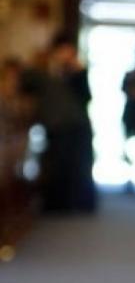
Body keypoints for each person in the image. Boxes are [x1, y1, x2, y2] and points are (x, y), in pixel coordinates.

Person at [21, 32, 96, 213]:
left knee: (79, 165)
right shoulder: (43, 71)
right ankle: (57, 204)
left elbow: (87, 97)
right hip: (56, 126)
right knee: (57, 166)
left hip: (77, 125)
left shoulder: (77, 72)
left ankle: (80, 204)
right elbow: (26, 84)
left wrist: (77, 72)